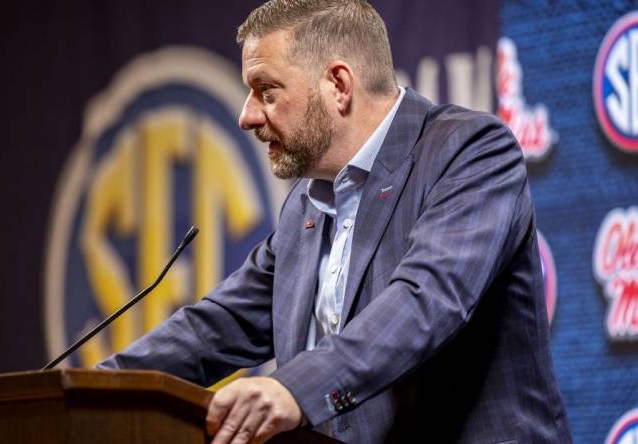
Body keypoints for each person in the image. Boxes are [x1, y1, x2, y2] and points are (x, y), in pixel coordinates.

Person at [97, 1, 572, 442]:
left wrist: (294, 390)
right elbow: (217, 328)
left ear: (339, 85)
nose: (246, 115)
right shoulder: (306, 207)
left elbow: (426, 299)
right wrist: (89, 389)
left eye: (266, 90)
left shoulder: (470, 152)